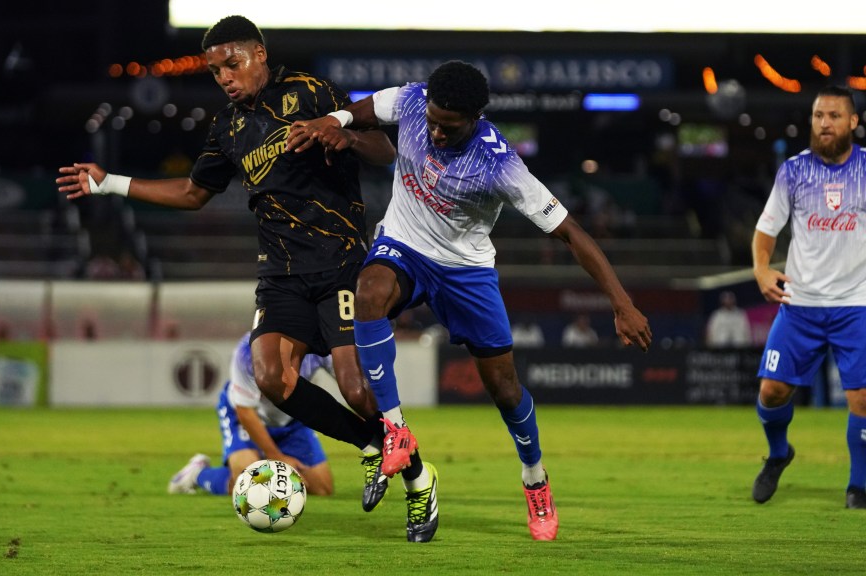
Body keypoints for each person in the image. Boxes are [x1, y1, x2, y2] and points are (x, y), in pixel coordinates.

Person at [287, 60, 652, 542]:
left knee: (504, 390)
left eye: (449, 127)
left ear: (476, 118)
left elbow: (570, 232)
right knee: (369, 292)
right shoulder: (415, 101)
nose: (436, 132)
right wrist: (334, 122)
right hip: (404, 246)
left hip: (466, 271)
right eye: (433, 122)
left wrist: (622, 303)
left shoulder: (501, 164)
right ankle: (395, 431)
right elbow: (365, 111)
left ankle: (535, 478)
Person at [56, 15, 396, 516]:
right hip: (279, 272)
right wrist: (110, 182)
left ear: (259, 53)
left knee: (354, 387)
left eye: (232, 65)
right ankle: (374, 445)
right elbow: (194, 193)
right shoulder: (228, 129)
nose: (225, 78)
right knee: (270, 377)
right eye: (216, 73)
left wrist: (344, 136)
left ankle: (400, 457)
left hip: (340, 262)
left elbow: (383, 149)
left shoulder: (310, 92)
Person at [749, 85, 866, 510]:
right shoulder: (794, 172)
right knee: (772, 392)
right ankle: (779, 454)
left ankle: (859, 486)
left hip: (857, 303)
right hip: (801, 304)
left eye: (834, 116)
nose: (824, 124)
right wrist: (761, 269)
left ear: (853, 122)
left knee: (863, 397)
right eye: (819, 116)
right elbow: (766, 230)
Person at [168, 332, 335, 496]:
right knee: (248, 483)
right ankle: (198, 474)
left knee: (321, 487)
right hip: (247, 416)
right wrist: (276, 457)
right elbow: (245, 411)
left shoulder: (318, 342)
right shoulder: (249, 348)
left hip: (291, 418)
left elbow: (349, 378)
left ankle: (257, 462)